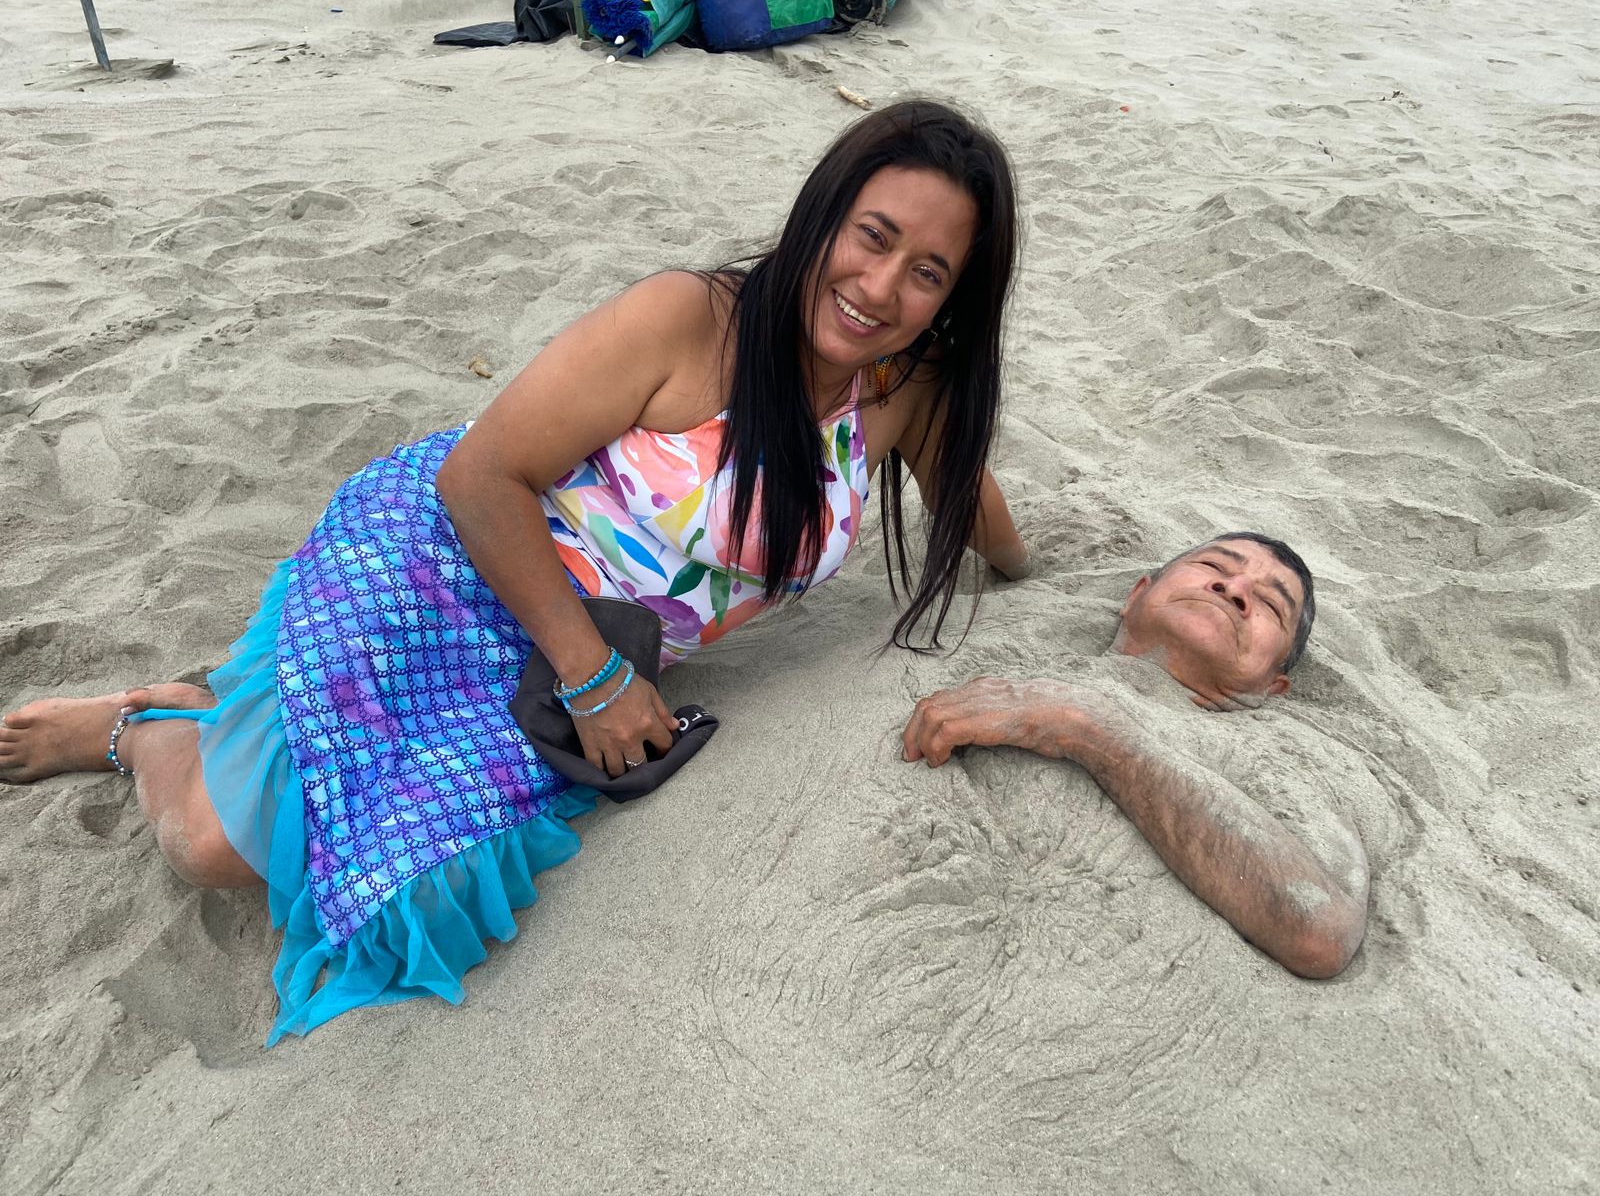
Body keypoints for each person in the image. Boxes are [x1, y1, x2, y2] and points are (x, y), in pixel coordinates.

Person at [0, 101, 1029, 1043]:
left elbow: (973, 509)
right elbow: (481, 475)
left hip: (555, 659)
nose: (880, 287)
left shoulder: (905, 389)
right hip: (456, 560)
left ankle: (218, 713)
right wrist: (594, 680)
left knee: (405, 870)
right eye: (873, 237)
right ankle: (148, 729)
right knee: (213, 847)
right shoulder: (690, 320)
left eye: (927, 272)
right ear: (825, 216)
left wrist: (1039, 572)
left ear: (953, 299)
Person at [901, 532, 1373, 979]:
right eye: (1214, 566)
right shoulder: (970, 643)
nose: (1234, 590)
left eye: (1270, 604)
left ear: (1273, 684)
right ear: (1136, 594)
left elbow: (1320, 931)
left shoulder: (1283, 762)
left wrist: (1088, 728)